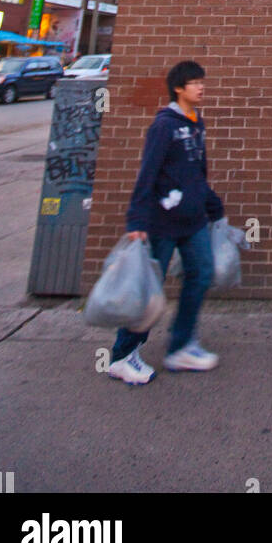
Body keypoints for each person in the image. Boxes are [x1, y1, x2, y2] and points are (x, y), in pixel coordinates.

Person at [107, 60, 224, 385]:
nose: (201, 88)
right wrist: (137, 219)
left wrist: (212, 204)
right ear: (179, 87)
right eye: (195, 83)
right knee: (148, 287)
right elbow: (148, 173)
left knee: (200, 274)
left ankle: (181, 346)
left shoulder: (195, 121)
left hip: (193, 220)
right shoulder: (164, 126)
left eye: (203, 82)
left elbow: (196, 172)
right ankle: (122, 356)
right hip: (161, 222)